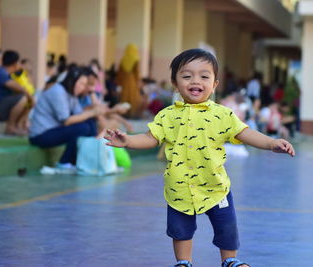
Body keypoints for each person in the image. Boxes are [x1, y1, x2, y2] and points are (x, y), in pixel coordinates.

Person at [104, 49, 295, 267]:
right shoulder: (167, 116)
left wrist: (271, 143)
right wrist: (128, 141)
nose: (196, 81)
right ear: (175, 83)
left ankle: (230, 260)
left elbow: (245, 132)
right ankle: (183, 262)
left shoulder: (222, 115)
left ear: (214, 84)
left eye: (204, 76)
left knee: (227, 226)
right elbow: (150, 138)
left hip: (215, 186)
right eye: (187, 76)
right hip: (179, 186)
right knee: (180, 230)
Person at [29, 67, 105, 169]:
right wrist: (92, 112)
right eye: (81, 84)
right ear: (72, 81)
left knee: (89, 123)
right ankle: (65, 162)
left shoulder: (71, 94)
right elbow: (66, 121)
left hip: (54, 131)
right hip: (40, 135)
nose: (83, 88)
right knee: (82, 128)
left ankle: (87, 159)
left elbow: (80, 114)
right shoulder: (57, 91)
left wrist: (93, 114)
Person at [0, 50, 33, 135]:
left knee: (26, 99)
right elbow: (20, 89)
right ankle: (10, 127)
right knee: (23, 98)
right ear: (15, 63)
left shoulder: (7, 74)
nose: (21, 65)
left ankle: (19, 126)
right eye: (19, 62)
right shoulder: (0, 73)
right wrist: (31, 98)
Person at [116, 44, 143, 118]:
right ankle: (132, 114)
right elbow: (137, 72)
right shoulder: (136, 59)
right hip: (132, 81)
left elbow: (119, 73)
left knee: (124, 97)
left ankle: (124, 114)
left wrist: (119, 82)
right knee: (133, 98)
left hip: (124, 82)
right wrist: (138, 81)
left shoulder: (123, 59)